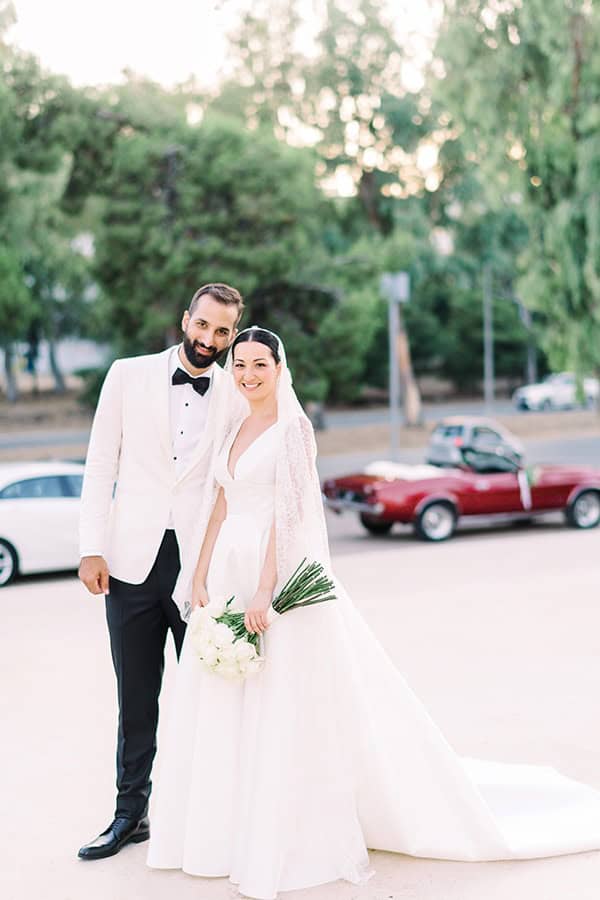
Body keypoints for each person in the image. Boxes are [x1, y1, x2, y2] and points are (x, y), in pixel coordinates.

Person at [147, 327, 600, 900]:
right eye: (240, 364)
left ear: (280, 368)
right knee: (226, 702)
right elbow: (218, 505)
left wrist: (265, 590)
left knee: (276, 700)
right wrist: (201, 573)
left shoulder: (294, 430)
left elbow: (288, 518)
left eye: (260, 364)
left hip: (269, 572)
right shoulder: (234, 425)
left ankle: (279, 832)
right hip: (226, 573)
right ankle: (224, 830)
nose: (248, 374)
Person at [77, 283, 245, 861]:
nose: (210, 340)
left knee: (209, 694)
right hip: (129, 562)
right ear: (186, 320)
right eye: (203, 326)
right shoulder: (127, 375)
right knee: (137, 697)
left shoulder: (237, 393)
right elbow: (101, 462)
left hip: (200, 567)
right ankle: (130, 814)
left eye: (222, 332)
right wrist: (91, 547)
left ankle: (210, 816)